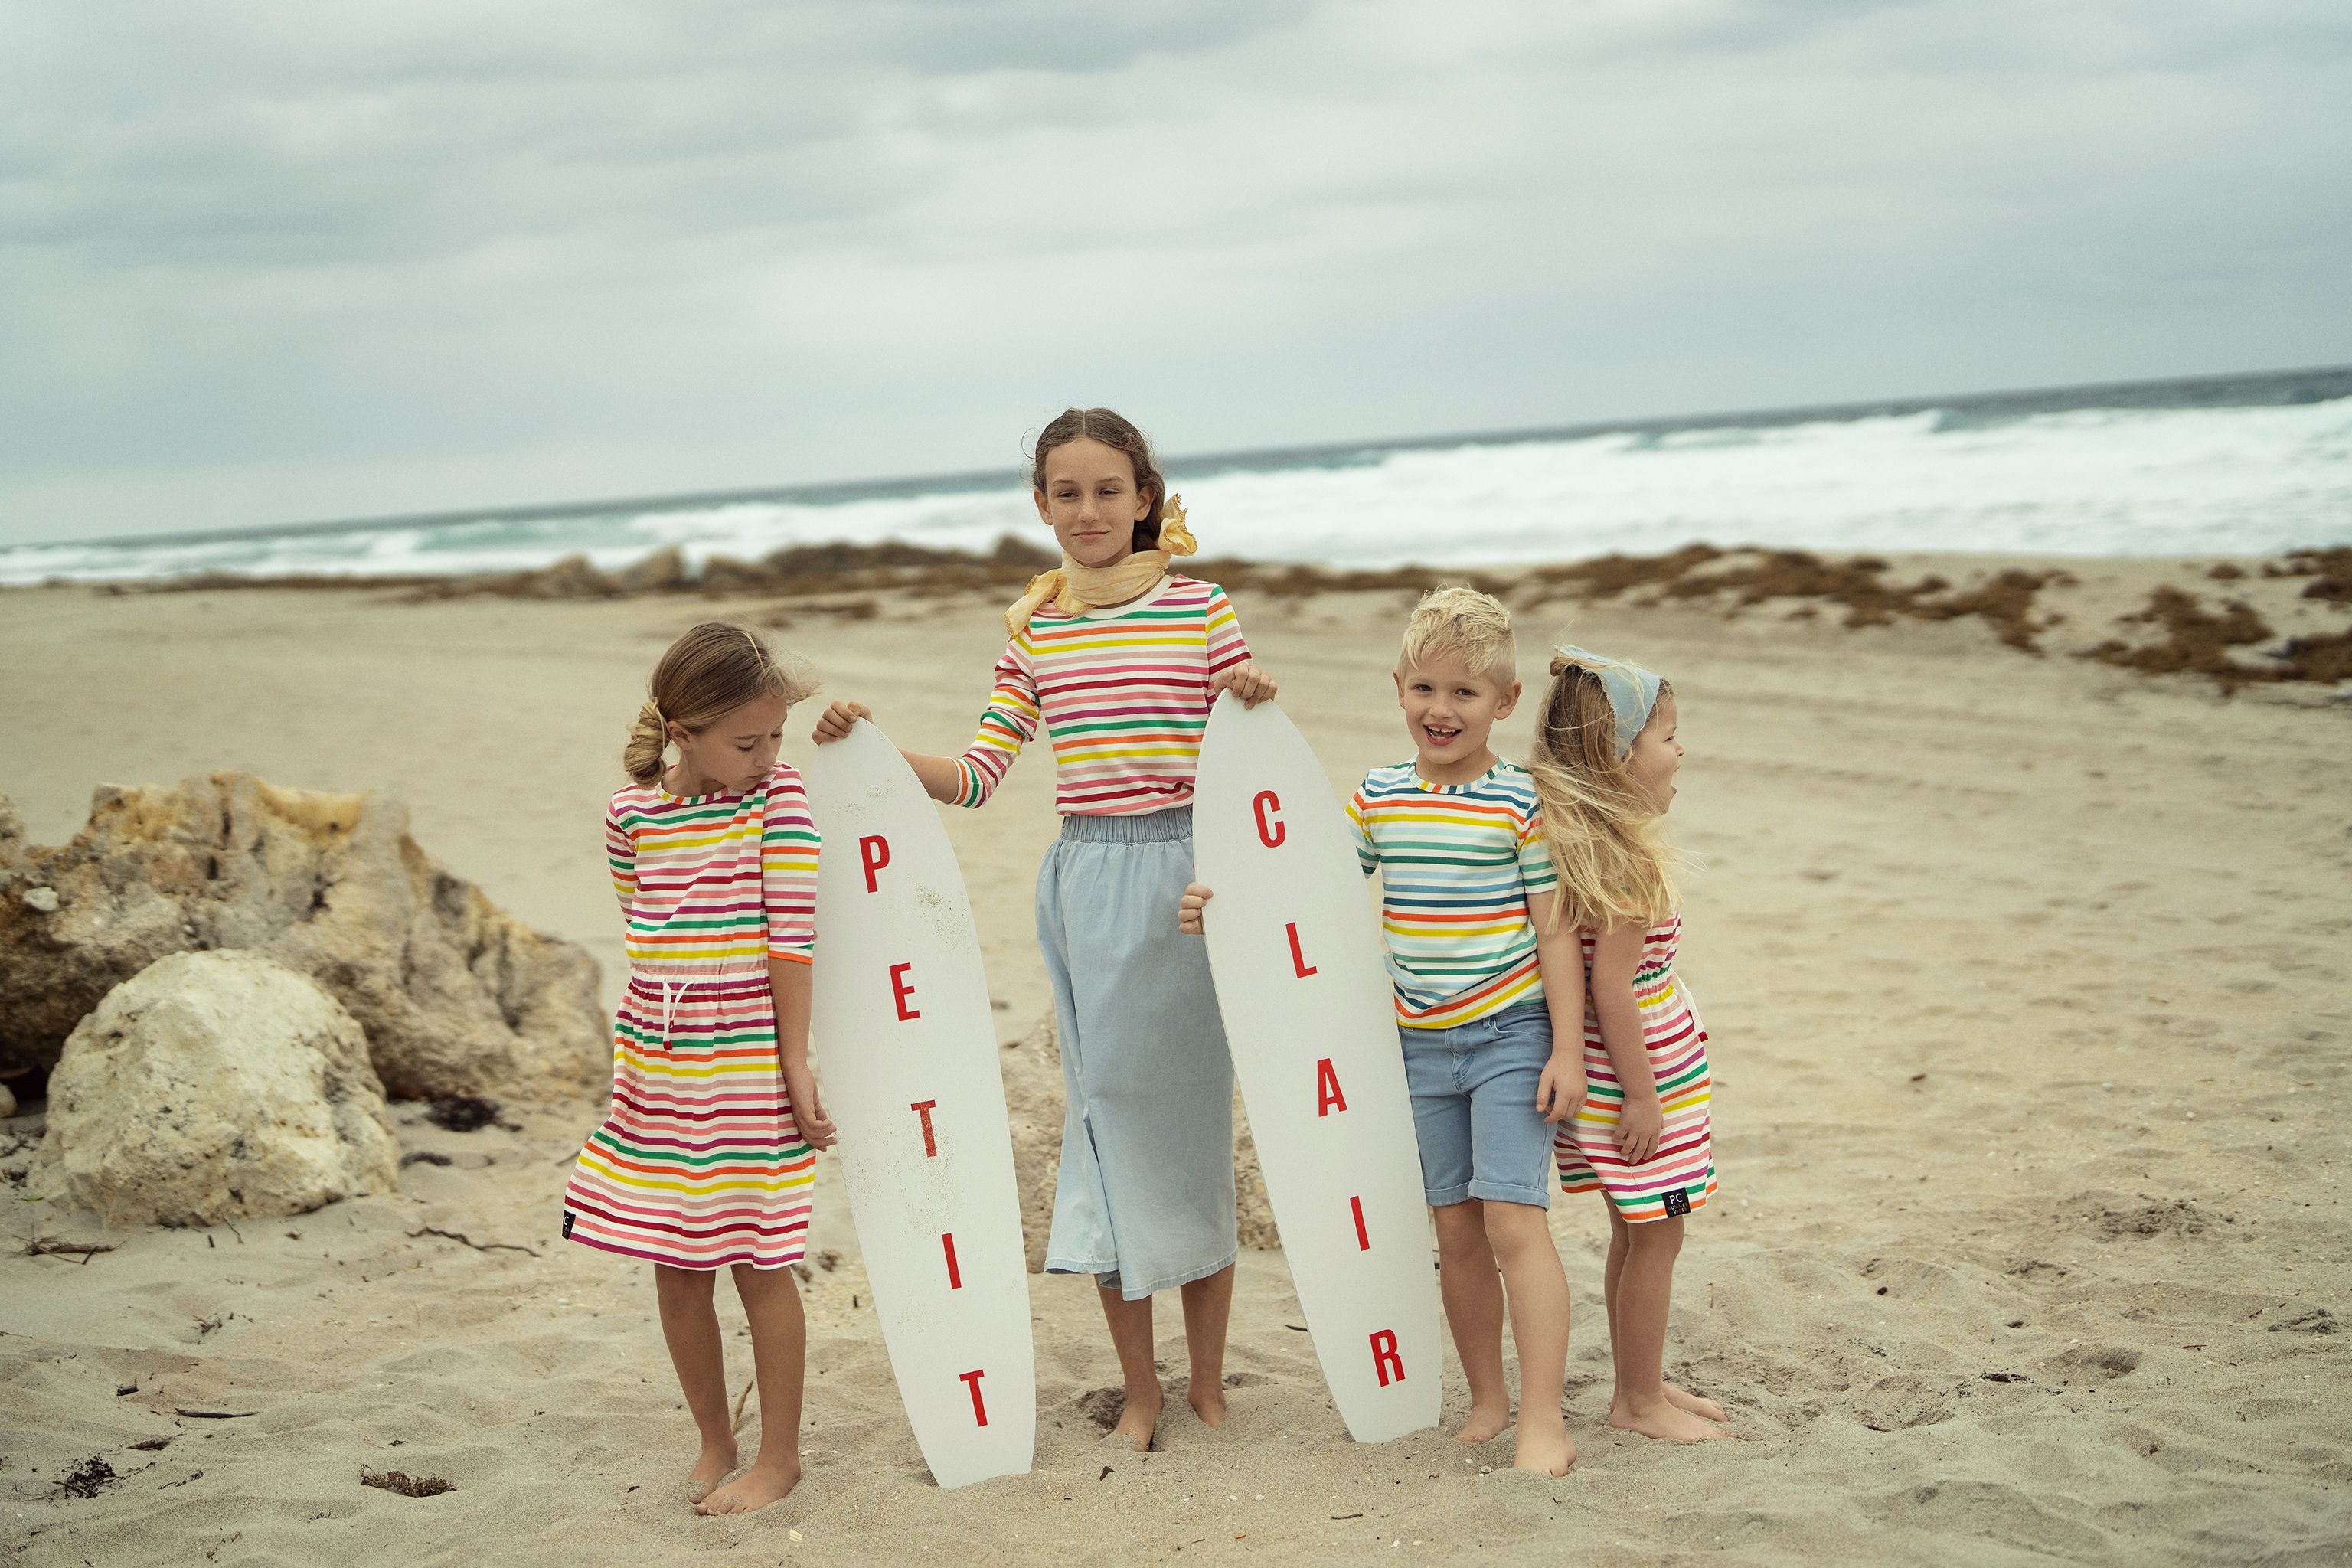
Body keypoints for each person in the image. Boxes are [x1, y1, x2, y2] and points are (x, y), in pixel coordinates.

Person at [814, 407, 1276, 1452]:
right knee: (1108, 1136)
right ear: (1041, 506)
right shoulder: (1037, 628)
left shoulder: (1205, 612)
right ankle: (1141, 1392)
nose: (1088, 511)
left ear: (1145, 497)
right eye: (1066, 494)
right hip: (1086, 883)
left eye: (1108, 490)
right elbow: (979, 777)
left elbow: (1249, 768)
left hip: (1194, 888)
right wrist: (878, 752)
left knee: (1194, 1142)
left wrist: (1253, 697)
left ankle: (1206, 1384)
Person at [1183, 586, 1582, 1476]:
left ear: (1505, 703)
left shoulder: (1521, 801)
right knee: (1454, 1230)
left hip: (1511, 1035)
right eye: (1426, 690)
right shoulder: (1377, 795)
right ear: (1398, 686)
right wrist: (1220, 901)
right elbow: (1311, 886)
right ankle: (1487, 1397)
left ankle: (1544, 1417)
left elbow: (1555, 930)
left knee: (1516, 1219)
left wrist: (1564, 1045)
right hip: (1415, 1047)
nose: (1442, 711)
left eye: (1466, 694)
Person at [561, 622, 841, 1514]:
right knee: (675, 1264)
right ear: (683, 734)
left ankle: (779, 1455)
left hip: (749, 1062)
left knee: (760, 1259)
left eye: (776, 738)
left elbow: (791, 939)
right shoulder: (630, 814)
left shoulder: (779, 799)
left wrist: (794, 1062)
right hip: (658, 1060)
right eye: (747, 741)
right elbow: (647, 932)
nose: (765, 755)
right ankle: (715, 1441)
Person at [1530, 645, 1731, 1442]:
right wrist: (1644, 1094)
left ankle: (1639, 1380)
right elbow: (1614, 987)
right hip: (1635, 1074)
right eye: (1669, 736)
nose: (1681, 751)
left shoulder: (1596, 846)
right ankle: (1638, 1402)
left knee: (1636, 1225)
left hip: (1630, 1064)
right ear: (1618, 756)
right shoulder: (1627, 861)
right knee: (1659, 1231)